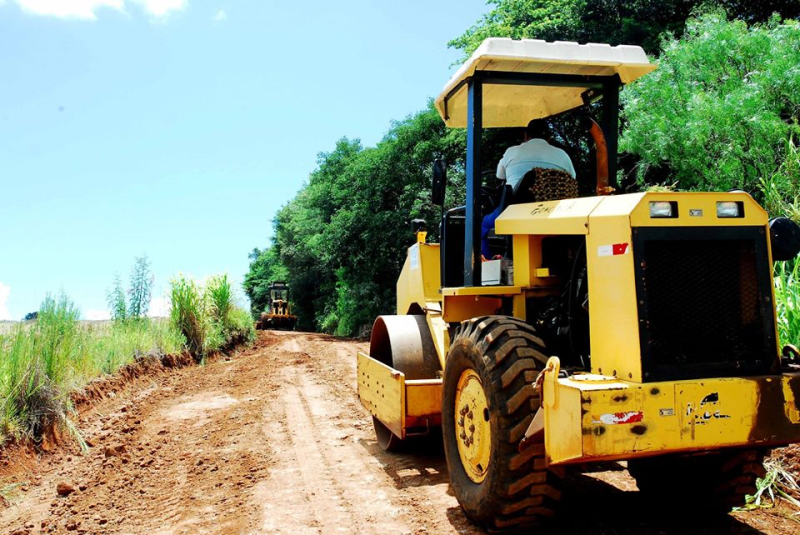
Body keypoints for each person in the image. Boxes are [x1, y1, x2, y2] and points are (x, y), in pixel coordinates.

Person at [481, 119, 576, 259]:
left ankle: (487, 267)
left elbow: (499, 175)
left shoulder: (511, 151)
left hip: (514, 211)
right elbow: (572, 178)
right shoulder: (563, 155)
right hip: (556, 212)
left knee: (481, 226)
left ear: (526, 136)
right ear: (549, 138)